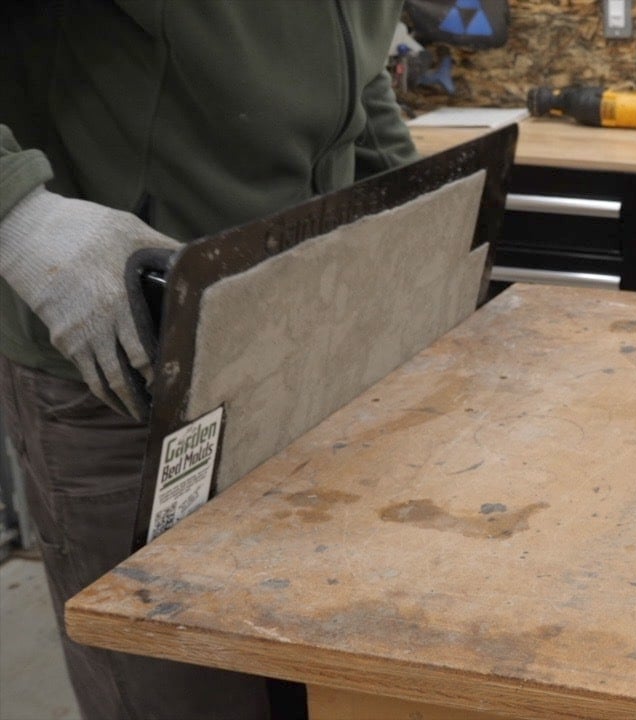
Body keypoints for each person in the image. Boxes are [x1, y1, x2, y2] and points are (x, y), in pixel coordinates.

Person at [0, 2, 419, 717]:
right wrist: (16, 214)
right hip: (131, 362)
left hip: (302, 333)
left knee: (308, 670)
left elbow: (358, 77)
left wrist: (425, 215)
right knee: (183, 690)